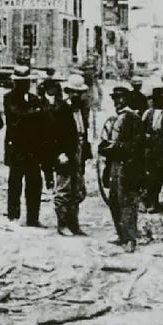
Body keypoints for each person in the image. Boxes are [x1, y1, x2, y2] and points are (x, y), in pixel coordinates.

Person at [98, 84, 143, 252]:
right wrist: (107, 148)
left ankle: (130, 239)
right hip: (114, 165)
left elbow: (136, 146)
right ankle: (121, 235)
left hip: (129, 166)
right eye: (115, 99)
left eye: (121, 98)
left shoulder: (134, 118)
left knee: (128, 202)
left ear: (128, 99)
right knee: (114, 201)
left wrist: (115, 147)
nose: (118, 101)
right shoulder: (114, 119)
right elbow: (104, 144)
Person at [49, 74, 91, 235]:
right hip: (65, 153)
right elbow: (54, 135)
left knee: (77, 189)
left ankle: (74, 223)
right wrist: (60, 153)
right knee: (64, 189)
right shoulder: (60, 110)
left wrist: (85, 152)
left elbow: (83, 132)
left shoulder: (81, 110)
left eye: (79, 93)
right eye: (74, 92)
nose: (77, 96)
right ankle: (62, 224)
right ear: (68, 92)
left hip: (78, 151)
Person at [3, 66, 45, 226]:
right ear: (15, 83)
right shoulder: (9, 98)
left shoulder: (34, 99)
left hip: (33, 148)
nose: (24, 85)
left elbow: (40, 119)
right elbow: (15, 117)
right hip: (17, 147)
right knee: (15, 181)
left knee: (34, 182)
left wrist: (32, 112)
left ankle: (33, 218)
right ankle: (13, 214)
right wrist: (34, 112)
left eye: (26, 82)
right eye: (21, 82)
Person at [141, 90, 163, 213]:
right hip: (150, 148)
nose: (160, 101)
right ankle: (149, 201)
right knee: (151, 175)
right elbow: (142, 129)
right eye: (158, 99)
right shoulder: (148, 113)